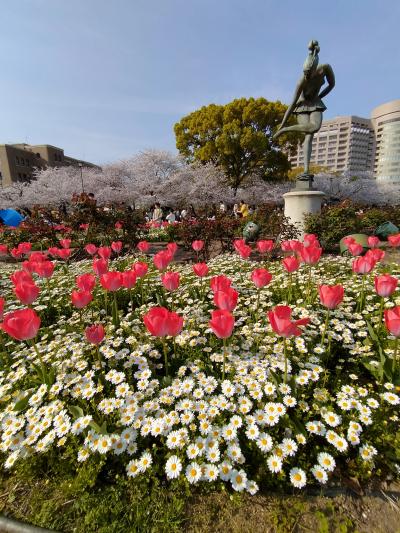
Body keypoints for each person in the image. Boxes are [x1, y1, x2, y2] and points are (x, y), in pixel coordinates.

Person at [273, 40, 335, 179]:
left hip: (316, 103)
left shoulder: (325, 68)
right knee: (308, 136)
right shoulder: (301, 81)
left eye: (308, 73)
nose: (306, 76)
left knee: (314, 128)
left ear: (314, 69)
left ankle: (286, 130)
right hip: (302, 106)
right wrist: (282, 124)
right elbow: (292, 103)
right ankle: (306, 170)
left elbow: (332, 85)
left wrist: (320, 96)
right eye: (304, 73)